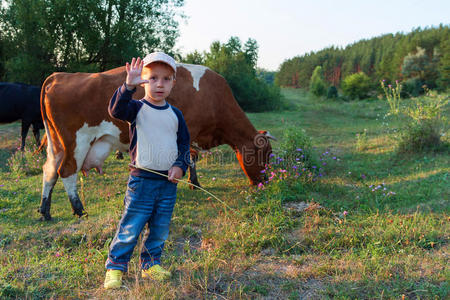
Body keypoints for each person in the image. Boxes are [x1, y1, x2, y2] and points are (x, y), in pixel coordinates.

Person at [103, 52, 190, 289]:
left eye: (165, 79)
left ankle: (150, 265)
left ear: (173, 82)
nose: (159, 84)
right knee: (131, 226)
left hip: (167, 184)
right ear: (143, 79)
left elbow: (184, 145)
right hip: (141, 181)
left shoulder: (176, 115)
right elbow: (115, 110)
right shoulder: (136, 109)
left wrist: (180, 166)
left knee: (160, 228)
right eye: (152, 78)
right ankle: (115, 267)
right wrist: (127, 87)